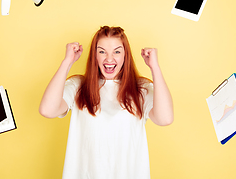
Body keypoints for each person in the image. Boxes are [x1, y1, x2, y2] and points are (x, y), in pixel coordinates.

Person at [39, 26, 173, 179]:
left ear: (125, 55)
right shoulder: (79, 86)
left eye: (117, 51)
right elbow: (47, 110)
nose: (109, 59)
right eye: (102, 51)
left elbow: (165, 119)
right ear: (94, 55)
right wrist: (67, 62)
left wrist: (155, 68)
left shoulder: (140, 89)